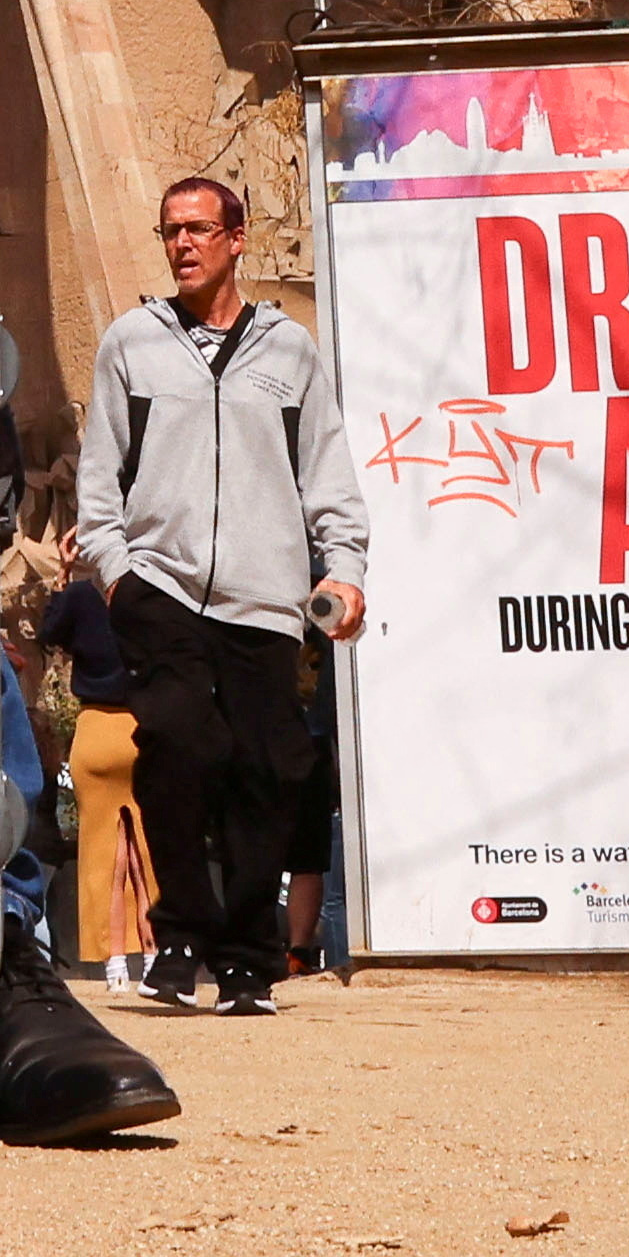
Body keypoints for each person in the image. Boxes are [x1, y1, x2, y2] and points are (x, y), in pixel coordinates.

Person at [74, 177, 365, 1020]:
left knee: (267, 767)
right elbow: (102, 471)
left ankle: (245, 961)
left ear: (238, 238)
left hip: (264, 595)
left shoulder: (289, 349)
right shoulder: (133, 341)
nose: (183, 244)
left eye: (200, 228)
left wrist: (342, 567)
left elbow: (328, 477)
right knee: (177, 738)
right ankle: (182, 936)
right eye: (171, 231)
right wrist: (115, 567)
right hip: (158, 582)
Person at [32, 532, 153, 992]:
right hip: (142, 726)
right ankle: (156, 950)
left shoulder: (83, 597)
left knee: (102, 851)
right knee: (147, 847)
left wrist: (63, 574)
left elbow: (48, 635)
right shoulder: (146, 592)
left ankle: (113, 962)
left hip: (95, 728)